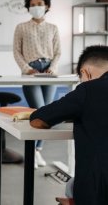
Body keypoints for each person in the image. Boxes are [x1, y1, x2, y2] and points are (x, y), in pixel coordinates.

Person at [30, 45, 108, 205]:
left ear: (85, 73)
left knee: (71, 185)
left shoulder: (88, 90)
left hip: (98, 191)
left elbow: (38, 120)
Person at [13, 0, 61, 168]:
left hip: (49, 71)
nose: (36, 7)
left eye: (39, 4)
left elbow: (57, 52)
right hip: (31, 70)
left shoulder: (53, 28)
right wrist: (27, 69)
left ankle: (36, 151)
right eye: (32, 5)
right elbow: (16, 51)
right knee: (39, 109)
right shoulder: (21, 27)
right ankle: (33, 150)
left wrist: (53, 68)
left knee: (48, 112)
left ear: (47, 6)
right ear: (28, 8)